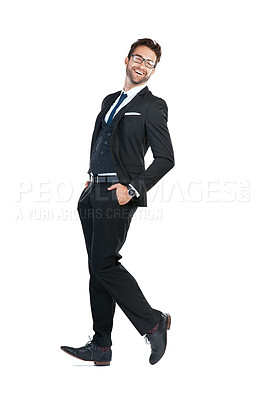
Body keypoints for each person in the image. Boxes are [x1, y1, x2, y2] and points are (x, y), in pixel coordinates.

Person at [61, 38, 175, 366]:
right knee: (97, 270)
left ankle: (154, 322)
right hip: (92, 192)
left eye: (149, 63)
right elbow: (102, 139)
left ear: (153, 70)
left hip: (117, 196)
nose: (142, 65)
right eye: (138, 58)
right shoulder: (110, 99)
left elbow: (165, 158)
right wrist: (91, 175)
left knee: (103, 265)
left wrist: (133, 188)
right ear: (126, 60)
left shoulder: (154, 106)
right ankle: (101, 346)